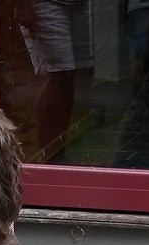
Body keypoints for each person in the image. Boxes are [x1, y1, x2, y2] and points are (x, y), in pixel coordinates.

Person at [16, 0, 93, 162]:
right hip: (45, 4)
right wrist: (23, 4)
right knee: (58, 74)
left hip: (79, 4)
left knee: (68, 75)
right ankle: (48, 157)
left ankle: (58, 153)